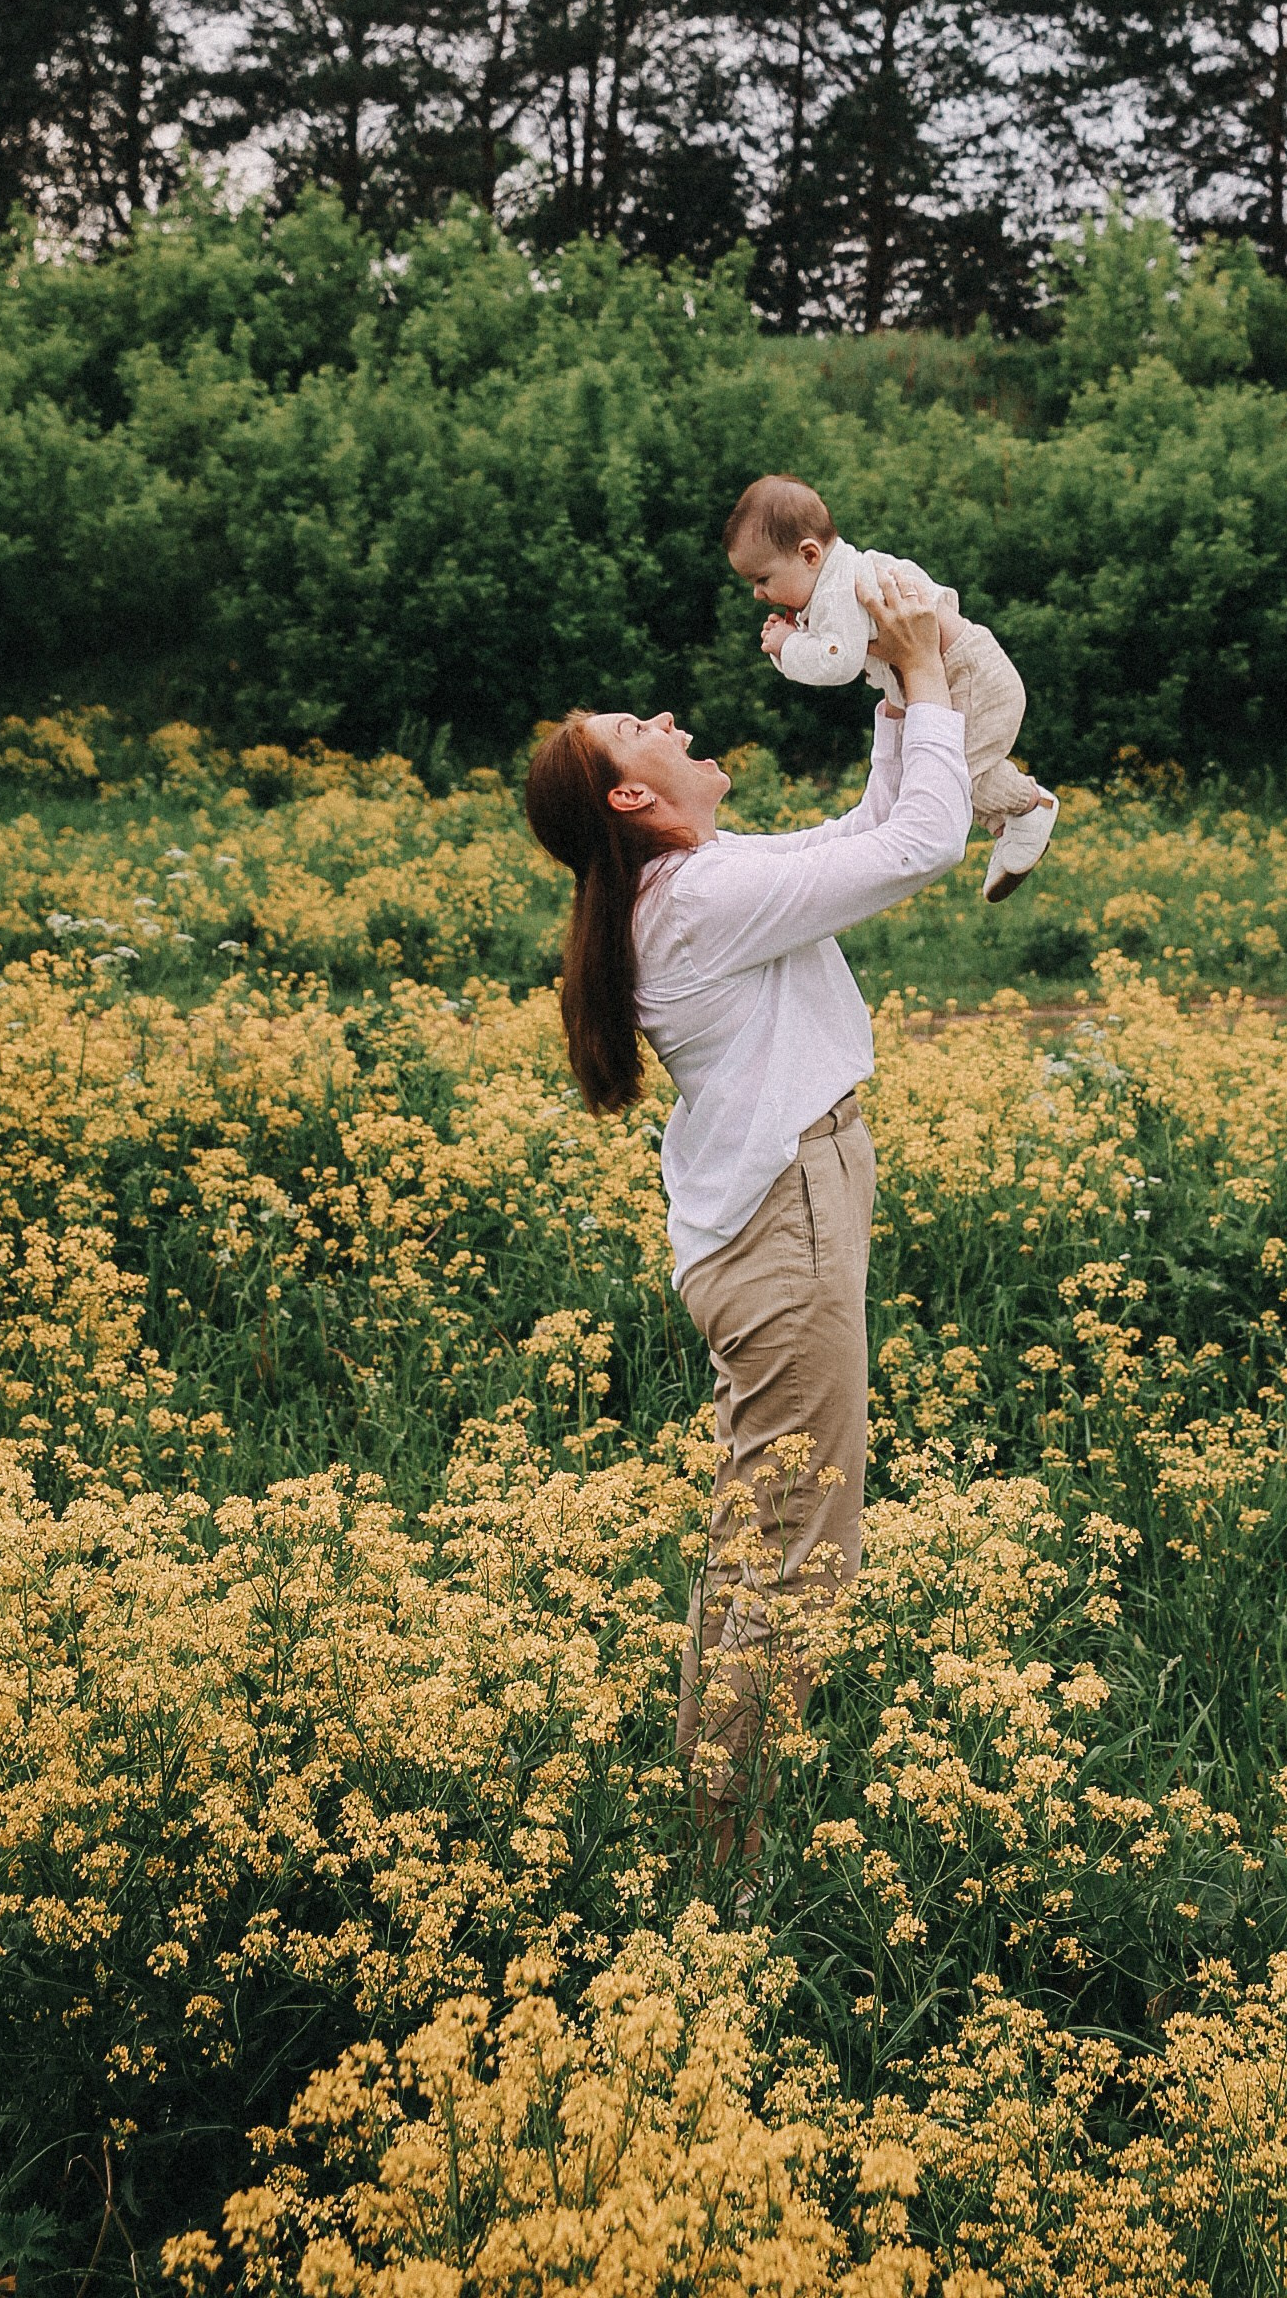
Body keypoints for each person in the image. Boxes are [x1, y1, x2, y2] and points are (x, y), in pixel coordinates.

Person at [523, 572, 969, 1855]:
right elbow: (921, 848)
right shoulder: (703, 899)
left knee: (758, 1532)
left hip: (771, 1223)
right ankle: (731, 1852)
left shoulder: (696, 880)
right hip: (785, 1228)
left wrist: (892, 683)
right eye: (637, 725)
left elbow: (867, 831)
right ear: (630, 796)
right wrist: (931, 678)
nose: (666, 715)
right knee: (800, 1549)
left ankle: (718, 1812)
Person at [722, 473, 1058, 902]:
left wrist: (788, 648)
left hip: (968, 678)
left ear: (809, 554)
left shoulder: (844, 588)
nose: (757, 594)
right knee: (931, 782)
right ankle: (1007, 822)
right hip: (949, 678)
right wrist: (792, 640)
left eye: (763, 579)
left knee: (948, 783)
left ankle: (1029, 807)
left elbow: (837, 662)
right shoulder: (840, 578)